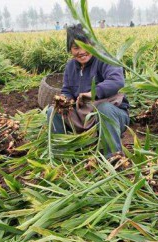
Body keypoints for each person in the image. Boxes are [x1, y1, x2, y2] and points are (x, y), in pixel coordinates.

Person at [46, 24, 130, 157]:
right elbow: (67, 90)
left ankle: (114, 157)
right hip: (83, 116)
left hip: (112, 115)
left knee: (104, 109)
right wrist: (65, 100)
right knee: (52, 111)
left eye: (86, 45)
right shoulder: (70, 67)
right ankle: (63, 156)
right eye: (76, 47)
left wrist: (92, 93)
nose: (81, 51)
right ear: (70, 49)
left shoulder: (105, 59)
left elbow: (117, 81)